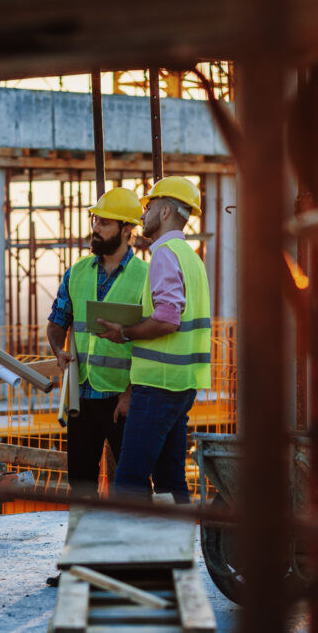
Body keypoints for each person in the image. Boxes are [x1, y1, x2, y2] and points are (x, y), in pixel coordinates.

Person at [44, 187, 149, 586]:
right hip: (83, 395)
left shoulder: (144, 277)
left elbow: (152, 341)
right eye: (94, 220)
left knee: (134, 485)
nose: (95, 228)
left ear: (126, 230)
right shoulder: (78, 273)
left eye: (103, 222)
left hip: (124, 397)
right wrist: (59, 349)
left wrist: (130, 394)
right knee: (81, 482)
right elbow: (57, 322)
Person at [96, 177, 211, 504]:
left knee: (130, 479)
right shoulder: (191, 258)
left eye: (147, 208)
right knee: (170, 479)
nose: (142, 214)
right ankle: (173, 550)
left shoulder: (163, 254)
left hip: (159, 385)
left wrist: (125, 332)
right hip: (182, 385)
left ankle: (135, 553)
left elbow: (167, 319)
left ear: (164, 212)